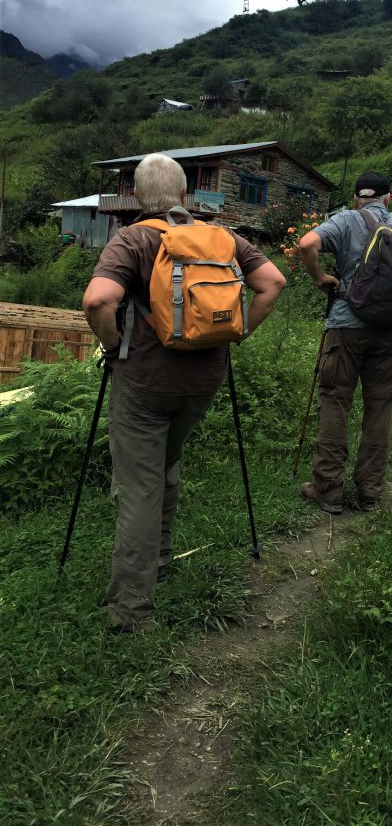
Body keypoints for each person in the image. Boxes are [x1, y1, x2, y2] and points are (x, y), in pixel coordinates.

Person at [83, 153, 286, 633]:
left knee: (139, 489)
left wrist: (114, 349)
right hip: (203, 382)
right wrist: (236, 334)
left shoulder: (131, 238)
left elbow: (97, 300)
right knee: (167, 468)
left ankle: (131, 612)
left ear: (136, 195)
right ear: (183, 196)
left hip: (145, 384)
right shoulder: (221, 237)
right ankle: (161, 560)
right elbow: (272, 283)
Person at [297, 171, 392, 514]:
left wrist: (320, 277)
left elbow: (307, 244)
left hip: (346, 327)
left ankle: (328, 489)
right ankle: (370, 490)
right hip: (389, 332)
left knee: (336, 401)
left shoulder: (346, 219)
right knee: (379, 405)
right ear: (388, 198)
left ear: (356, 198)